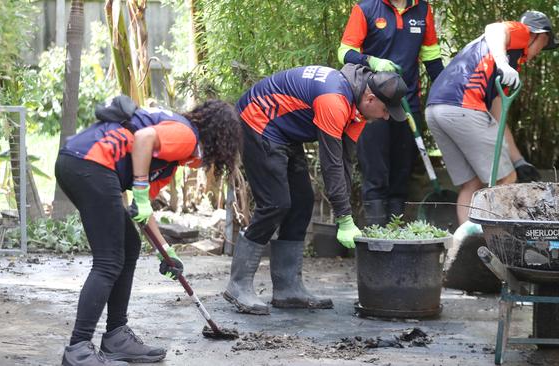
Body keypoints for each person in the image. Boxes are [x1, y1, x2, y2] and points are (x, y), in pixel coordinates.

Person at [56, 97, 241, 365]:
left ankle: (116, 336)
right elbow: (143, 138)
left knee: (129, 246)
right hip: (90, 163)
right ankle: (79, 349)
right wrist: (140, 191)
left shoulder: (170, 160)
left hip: (80, 162)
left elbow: (143, 213)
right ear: (217, 140)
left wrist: (166, 251)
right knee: (109, 260)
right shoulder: (186, 135)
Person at [224, 64, 407, 315]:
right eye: (386, 110)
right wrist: (343, 218)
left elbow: (344, 161)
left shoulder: (360, 110)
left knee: (302, 202)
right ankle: (238, 284)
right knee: (275, 204)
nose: (386, 117)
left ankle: (288, 288)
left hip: (284, 132)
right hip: (257, 121)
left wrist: (347, 217)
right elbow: (330, 165)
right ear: (370, 97)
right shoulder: (334, 100)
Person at [425, 10, 559, 224]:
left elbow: (498, 118)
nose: (539, 52)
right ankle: (494, 241)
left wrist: (519, 161)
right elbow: (494, 29)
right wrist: (503, 62)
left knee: (472, 184)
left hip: (436, 109)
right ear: (540, 36)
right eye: (543, 45)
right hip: (463, 107)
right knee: (506, 179)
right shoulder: (520, 34)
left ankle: (464, 245)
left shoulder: (501, 65)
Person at [338, 0, 444, 225]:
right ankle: (375, 234)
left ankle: (396, 234)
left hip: (407, 104)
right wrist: (372, 61)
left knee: (401, 173)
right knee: (375, 173)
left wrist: (448, 88)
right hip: (372, 103)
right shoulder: (365, 9)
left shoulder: (423, 10)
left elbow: (432, 56)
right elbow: (345, 52)